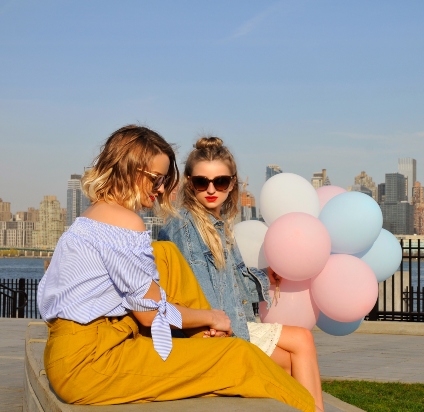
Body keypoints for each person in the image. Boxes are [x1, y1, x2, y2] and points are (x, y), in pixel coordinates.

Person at [37, 125, 314, 411]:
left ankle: (206, 339)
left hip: (79, 349)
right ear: (130, 170)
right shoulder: (125, 221)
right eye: (156, 179)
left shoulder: (93, 215)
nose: (160, 189)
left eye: (165, 180)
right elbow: (149, 314)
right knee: (240, 357)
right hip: (90, 364)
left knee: (166, 254)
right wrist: (212, 316)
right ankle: (309, 407)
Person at [158, 136, 324, 411]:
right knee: (293, 358)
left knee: (303, 341)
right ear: (189, 182)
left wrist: (265, 275)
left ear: (233, 182)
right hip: (213, 334)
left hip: (229, 321)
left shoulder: (217, 224)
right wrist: (219, 329)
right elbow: (198, 293)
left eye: (220, 181)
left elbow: (229, 282)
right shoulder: (185, 227)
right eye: (202, 182)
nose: (211, 189)